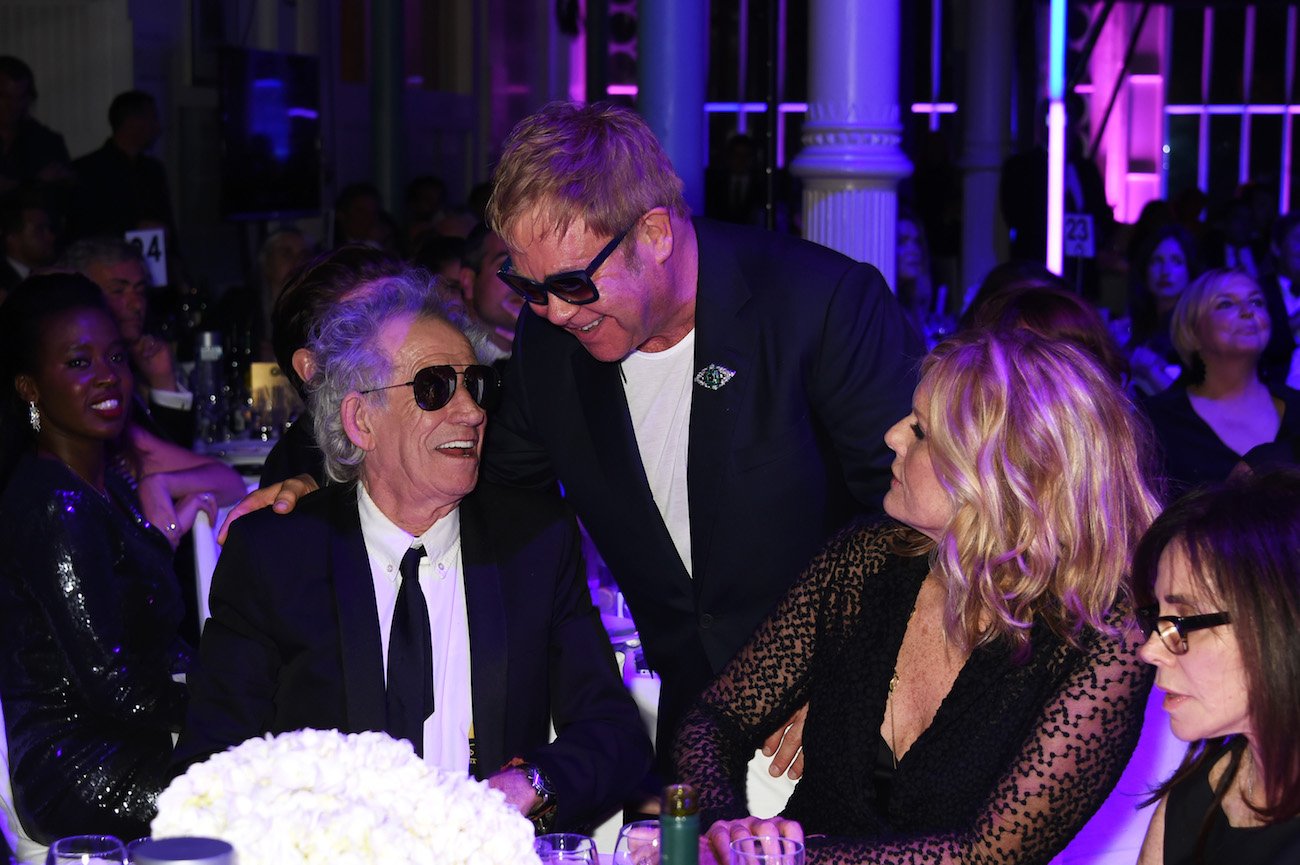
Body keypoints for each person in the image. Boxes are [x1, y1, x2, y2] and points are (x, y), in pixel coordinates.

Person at [482, 100, 923, 773]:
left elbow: (919, 519)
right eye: (530, 288)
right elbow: (496, 495)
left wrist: (855, 679)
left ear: (655, 232)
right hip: (692, 738)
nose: (556, 312)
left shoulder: (821, 306)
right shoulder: (548, 351)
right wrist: (318, 478)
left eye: (573, 282)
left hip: (852, 730)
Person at [174, 271, 652, 832]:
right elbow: (211, 769)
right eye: (433, 388)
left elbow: (614, 732)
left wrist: (527, 787)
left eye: (475, 384)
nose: (472, 412)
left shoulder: (532, 541)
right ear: (360, 421)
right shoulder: (277, 557)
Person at [675, 328, 1161, 864]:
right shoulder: (865, 561)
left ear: (1001, 472)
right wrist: (726, 830)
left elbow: (987, 856)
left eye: (921, 431)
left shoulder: (1102, 635)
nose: (891, 437)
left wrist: (786, 859)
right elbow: (713, 721)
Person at [0, 274, 192, 843]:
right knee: (275, 791)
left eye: (114, 356)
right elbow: (117, 685)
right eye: (79, 363)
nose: (109, 376)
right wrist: (231, 702)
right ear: (30, 387)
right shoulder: (53, 504)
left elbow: (155, 643)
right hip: (81, 770)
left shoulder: (102, 483)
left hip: (126, 741)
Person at [1133, 469, 1300, 864]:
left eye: (1183, 620)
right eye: (1156, 618)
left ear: (1280, 623)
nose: (1148, 651)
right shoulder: (1190, 804)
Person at [1142, 268, 1300, 493]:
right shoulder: (1157, 422)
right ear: (1192, 331)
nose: (1248, 312)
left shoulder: (1296, 408)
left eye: (1256, 302)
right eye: (1226, 304)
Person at [60, 237, 193, 445]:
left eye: (140, 291)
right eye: (118, 291)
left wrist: (163, 381)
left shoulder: (135, 361)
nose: (136, 305)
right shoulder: (74, 371)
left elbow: (172, 453)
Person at [67, 90, 176, 244]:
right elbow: (81, 226)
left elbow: (166, 220)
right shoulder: (87, 170)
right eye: (152, 119)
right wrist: (132, 228)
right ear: (132, 122)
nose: (157, 128)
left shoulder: (153, 170)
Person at [1126, 224, 1203, 396]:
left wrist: (1152, 370)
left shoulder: (1199, 331)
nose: (1166, 271)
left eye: (1176, 261)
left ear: (1190, 270)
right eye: (1157, 261)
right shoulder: (1135, 323)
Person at [0, 56, 72, 196]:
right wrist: (35, 182)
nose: (13, 106)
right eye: (4, 97)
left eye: (20, 98)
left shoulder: (45, 141)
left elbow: (64, 196)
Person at [456, 222, 519, 364]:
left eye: (529, 267)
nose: (524, 279)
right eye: (508, 266)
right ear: (469, 281)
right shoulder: (449, 354)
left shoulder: (554, 349)